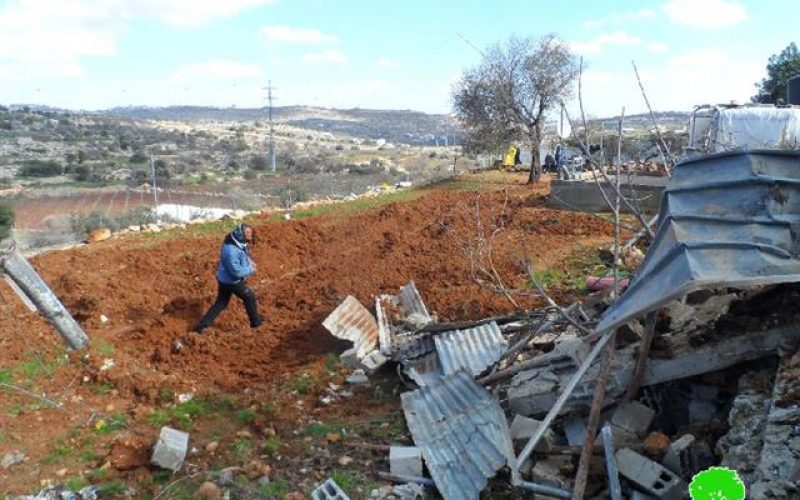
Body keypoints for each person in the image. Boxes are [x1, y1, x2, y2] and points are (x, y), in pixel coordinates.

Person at [193, 223, 263, 333]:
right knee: (249, 296)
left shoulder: (234, 240)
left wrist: (249, 262)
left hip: (223, 278)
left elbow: (244, 253)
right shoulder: (231, 251)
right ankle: (256, 323)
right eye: (248, 235)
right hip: (232, 281)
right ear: (241, 235)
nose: (250, 237)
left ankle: (201, 326)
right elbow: (237, 272)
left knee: (221, 303)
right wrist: (250, 269)